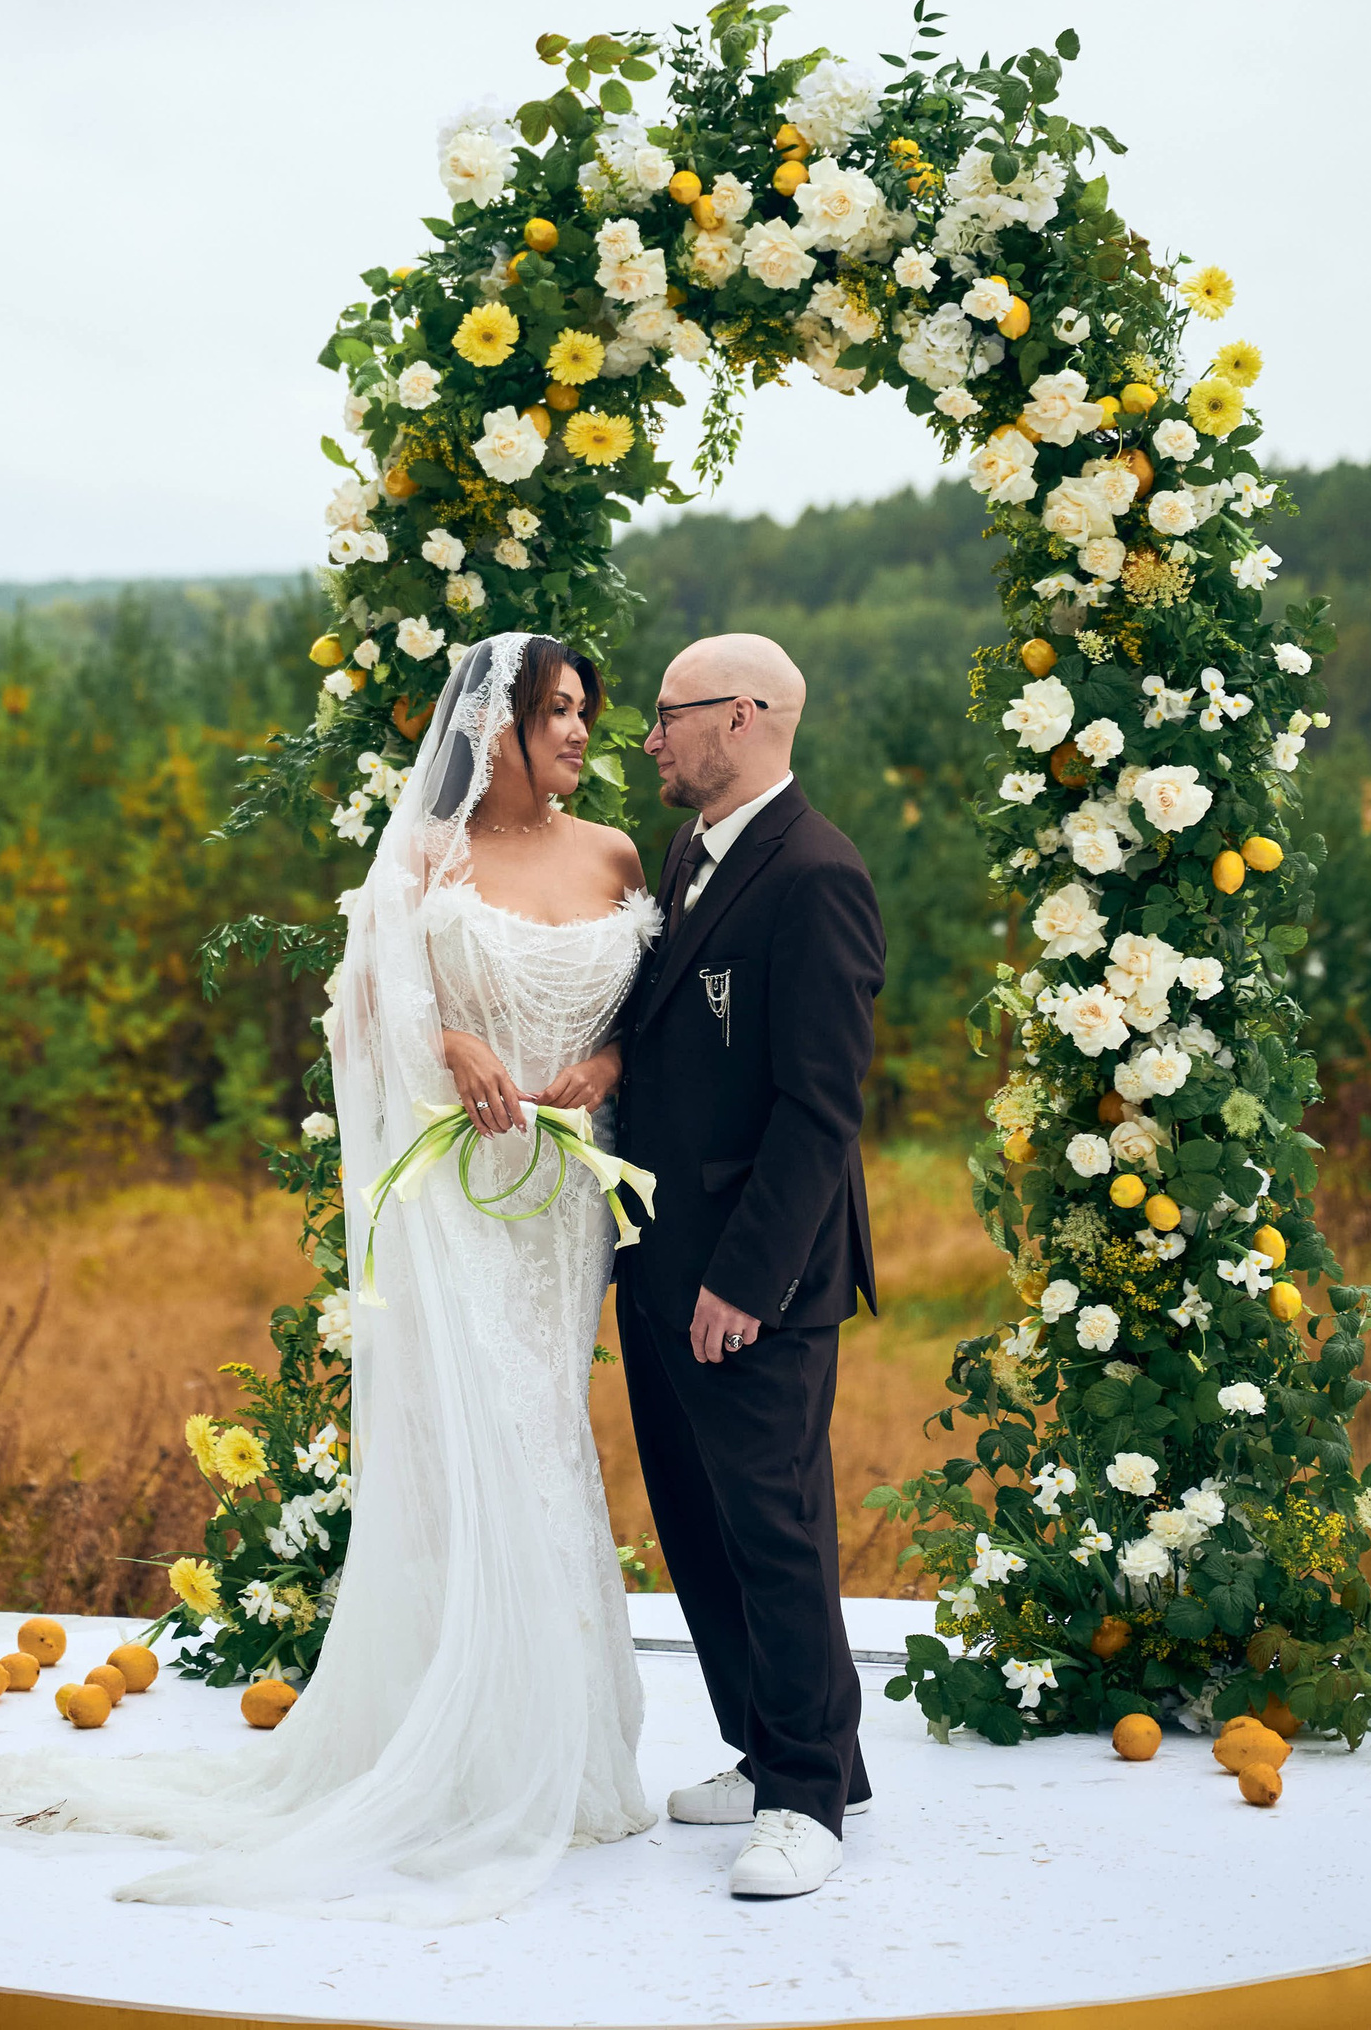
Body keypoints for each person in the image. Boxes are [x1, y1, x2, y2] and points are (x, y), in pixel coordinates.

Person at [0, 632, 659, 1925]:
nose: (582, 731)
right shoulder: (425, 859)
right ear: (495, 726)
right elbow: (361, 1021)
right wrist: (452, 1038)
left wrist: (610, 1065)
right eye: (559, 712)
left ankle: (568, 1736)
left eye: (586, 709)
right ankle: (476, 1749)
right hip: (456, 1200)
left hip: (560, 1202)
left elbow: (646, 1013)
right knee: (486, 1439)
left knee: (548, 1431)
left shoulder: (615, 857)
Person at [615, 631, 883, 1901]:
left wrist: (746, 1282)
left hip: (753, 1276)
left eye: (667, 715)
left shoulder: (819, 875)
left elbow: (819, 1109)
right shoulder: (690, 850)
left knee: (775, 1530)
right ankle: (771, 1746)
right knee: (699, 1522)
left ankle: (806, 1800)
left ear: (742, 715)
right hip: (659, 1257)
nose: (648, 739)